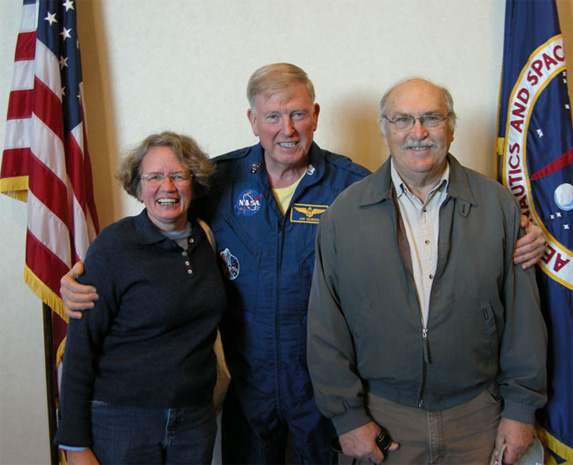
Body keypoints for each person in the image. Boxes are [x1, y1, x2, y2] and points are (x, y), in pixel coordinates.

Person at [60, 66, 546, 464]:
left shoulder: (353, 189)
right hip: (248, 386)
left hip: (326, 388)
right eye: (272, 116)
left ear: (315, 115)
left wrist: (529, 229)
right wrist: (84, 275)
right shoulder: (218, 181)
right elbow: (158, 219)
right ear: (252, 120)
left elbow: (447, 223)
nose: (286, 129)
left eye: (297, 114)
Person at [307, 78, 547, 465]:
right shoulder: (345, 214)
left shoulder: (498, 205)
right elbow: (324, 325)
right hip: (384, 419)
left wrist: (521, 411)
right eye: (402, 120)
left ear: (451, 127)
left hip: (479, 418)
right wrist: (347, 419)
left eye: (431, 118)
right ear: (384, 130)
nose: (417, 133)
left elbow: (523, 319)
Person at [55, 132, 226, 465]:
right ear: (137, 185)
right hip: (122, 422)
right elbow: (80, 348)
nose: (168, 187)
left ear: (194, 182)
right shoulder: (113, 246)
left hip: (195, 421)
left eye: (179, 175)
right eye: (154, 177)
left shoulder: (207, 240)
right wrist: (74, 445)